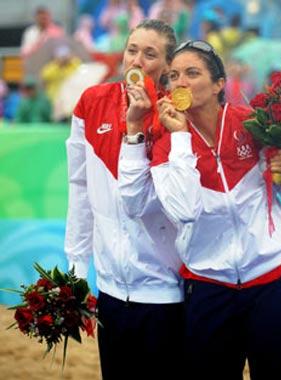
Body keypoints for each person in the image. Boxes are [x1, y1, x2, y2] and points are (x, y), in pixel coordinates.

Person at [119, 40, 281, 380]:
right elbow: (185, 210)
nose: (180, 82)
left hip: (273, 282)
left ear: (219, 84)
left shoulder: (254, 124)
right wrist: (180, 139)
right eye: (173, 75)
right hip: (209, 289)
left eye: (192, 73)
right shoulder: (165, 143)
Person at [64, 19, 183, 380]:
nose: (137, 61)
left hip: (167, 291)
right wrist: (75, 268)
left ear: (167, 65)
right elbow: (80, 188)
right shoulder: (91, 102)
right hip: (111, 291)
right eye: (132, 50)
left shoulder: (175, 115)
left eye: (150, 54)